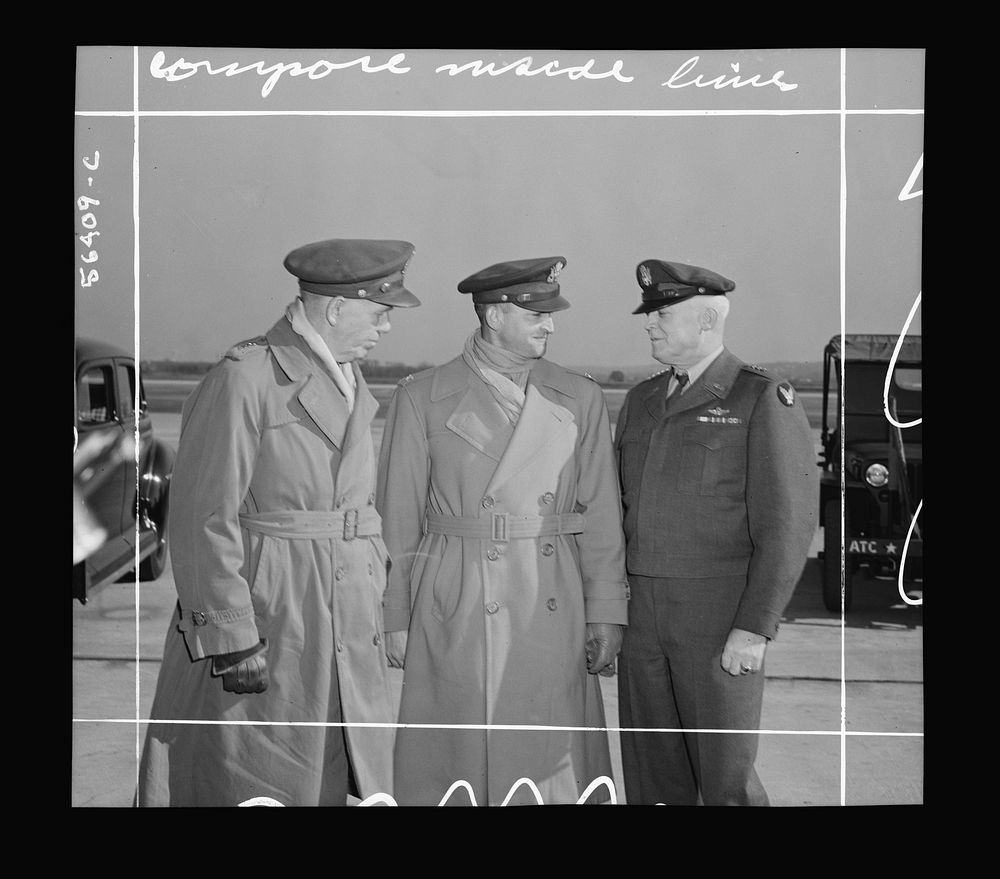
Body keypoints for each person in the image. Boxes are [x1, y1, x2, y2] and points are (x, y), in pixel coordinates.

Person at [136, 238, 420, 806]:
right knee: (251, 777)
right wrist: (231, 637)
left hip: (341, 616)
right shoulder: (245, 378)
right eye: (381, 311)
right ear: (337, 309)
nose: (387, 327)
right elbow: (203, 516)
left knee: (338, 779)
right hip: (274, 617)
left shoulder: (350, 379)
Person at [376, 256, 628, 806]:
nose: (550, 324)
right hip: (458, 597)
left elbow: (602, 517)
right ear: (493, 316)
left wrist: (607, 610)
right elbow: (396, 520)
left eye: (551, 313)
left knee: (549, 768)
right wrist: (395, 615)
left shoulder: (578, 397)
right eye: (535, 312)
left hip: (550, 596)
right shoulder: (421, 396)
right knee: (456, 763)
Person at [615, 258, 817, 806]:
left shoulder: (758, 398)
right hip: (641, 619)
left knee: (726, 782)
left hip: (718, 621)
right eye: (649, 314)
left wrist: (755, 628)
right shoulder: (641, 401)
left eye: (663, 313)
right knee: (651, 780)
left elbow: (788, 524)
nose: (650, 323)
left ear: (707, 321)